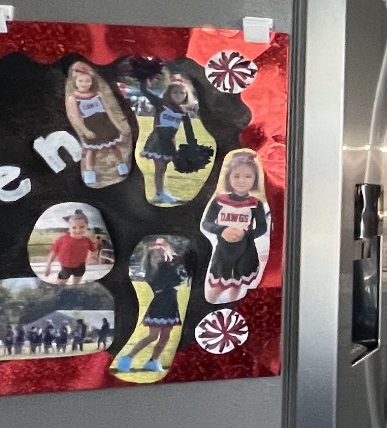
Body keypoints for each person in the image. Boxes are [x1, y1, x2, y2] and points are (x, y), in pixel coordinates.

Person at [201, 150, 270, 304]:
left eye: (248, 176)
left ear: (255, 179)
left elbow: (262, 229)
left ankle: (233, 305)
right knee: (219, 284)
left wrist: (245, 233)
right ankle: (210, 304)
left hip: (245, 251)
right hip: (224, 251)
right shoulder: (219, 201)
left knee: (237, 286)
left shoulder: (255, 204)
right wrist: (222, 230)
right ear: (228, 178)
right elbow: (207, 223)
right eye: (236, 176)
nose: (241, 181)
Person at [117, 239, 187, 374]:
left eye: (162, 255)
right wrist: (173, 263)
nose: (159, 258)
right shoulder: (152, 272)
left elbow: (179, 278)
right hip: (159, 305)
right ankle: (127, 358)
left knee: (165, 336)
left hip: (170, 303)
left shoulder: (167, 268)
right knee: (153, 336)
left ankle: (153, 361)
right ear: (149, 258)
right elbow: (169, 279)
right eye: (155, 256)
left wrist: (176, 262)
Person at [63, 61, 132, 188]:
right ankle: (90, 171)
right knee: (91, 150)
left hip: (105, 122)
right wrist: (84, 130)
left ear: (92, 81)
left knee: (114, 146)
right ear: (75, 82)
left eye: (87, 81)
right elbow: (76, 116)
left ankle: (121, 164)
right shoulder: (73, 98)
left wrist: (116, 124)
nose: (84, 84)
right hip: (91, 124)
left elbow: (108, 110)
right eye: (81, 81)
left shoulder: (98, 94)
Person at [139, 72, 198, 205]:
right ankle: (160, 194)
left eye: (182, 93)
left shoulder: (183, 112)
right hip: (157, 139)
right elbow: (144, 91)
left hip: (170, 142)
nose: (178, 95)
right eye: (175, 93)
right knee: (159, 167)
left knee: (163, 168)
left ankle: (161, 193)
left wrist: (193, 146)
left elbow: (189, 130)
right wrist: (146, 81)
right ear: (169, 93)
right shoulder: (161, 104)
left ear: (186, 95)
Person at [44, 211, 101, 282]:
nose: (78, 230)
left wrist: (94, 251)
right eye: (74, 227)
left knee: (76, 283)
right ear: (69, 228)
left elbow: (93, 250)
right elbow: (53, 253)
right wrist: (48, 266)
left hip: (80, 267)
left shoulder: (87, 240)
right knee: (60, 283)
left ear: (86, 227)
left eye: (82, 227)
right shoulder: (62, 239)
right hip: (65, 267)